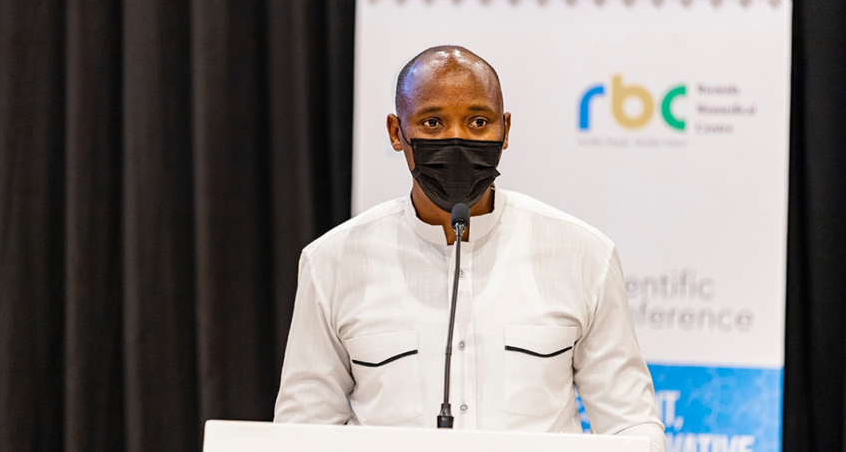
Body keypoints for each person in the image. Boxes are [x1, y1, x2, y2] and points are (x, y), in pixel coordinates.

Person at [274, 45, 666, 451]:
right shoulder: (332, 262)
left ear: (505, 130)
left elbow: (630, 424)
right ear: (396, 132)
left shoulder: (584, 255)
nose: (456, 140)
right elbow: (303, 428)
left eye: (478, 122)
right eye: (432, 122)